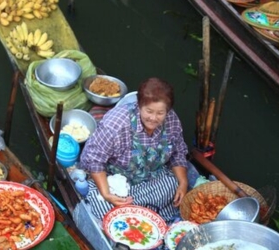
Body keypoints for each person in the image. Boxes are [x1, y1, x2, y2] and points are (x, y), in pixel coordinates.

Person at [79, 77, 199, 222]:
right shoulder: (116, 124)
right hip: (113, 180)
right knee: (102, 205)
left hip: (148, 178)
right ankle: (136, 211)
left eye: (160, 113)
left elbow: (178, 151)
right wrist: (106, 194)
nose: (154, 118)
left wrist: (183, 182)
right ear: (139, 105)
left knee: (173, 186)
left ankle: (132, 213)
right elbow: (94, 160)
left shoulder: (171, 120)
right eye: (149, 111)